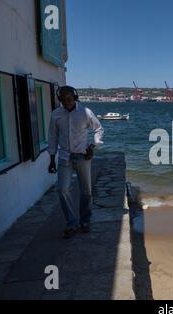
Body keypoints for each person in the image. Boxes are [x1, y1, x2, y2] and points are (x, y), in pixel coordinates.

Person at [47, 85, 104, 239]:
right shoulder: (56, 115)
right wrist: (52, 159)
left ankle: (85, 220)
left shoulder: (85, 112)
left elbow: (98, 129)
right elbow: (52, 137)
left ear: (75, 97)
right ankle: (72, 222)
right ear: (59, 100)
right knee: (62, 189)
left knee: (86, 191)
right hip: (64, 157)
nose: (67, 103)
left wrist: (93, 145)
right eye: (63, 100)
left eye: (69, 99)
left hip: (82, 157)